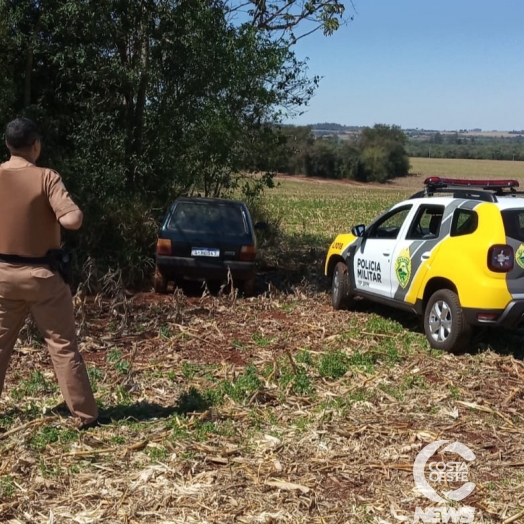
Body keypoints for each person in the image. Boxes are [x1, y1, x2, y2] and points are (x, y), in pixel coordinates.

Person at [0, 117, 102, 430]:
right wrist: (70, 214)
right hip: (42, 276)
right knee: (62, 345)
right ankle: (85, 416)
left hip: (2, 276)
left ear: (7, 145)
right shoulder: (47, 177)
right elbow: (72, 219)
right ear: (36, 146)